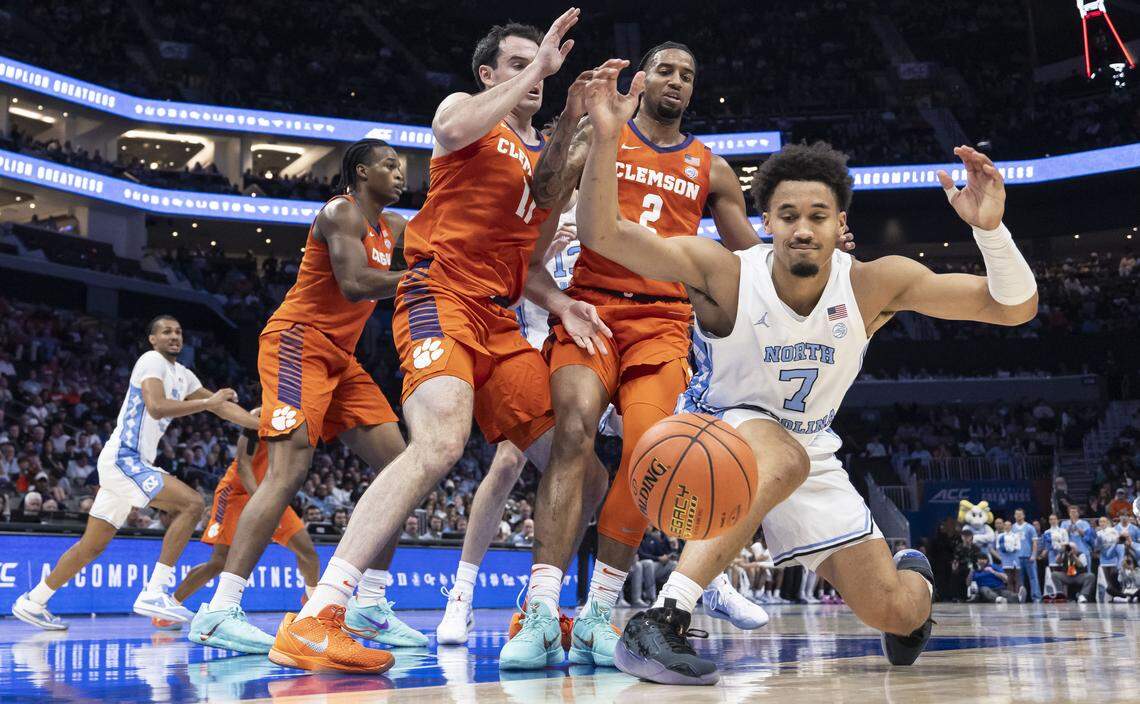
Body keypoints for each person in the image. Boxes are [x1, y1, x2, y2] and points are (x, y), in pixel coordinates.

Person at [575, 65, 1038, 683]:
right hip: (719, 427)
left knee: (896, 611)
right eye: (786, 214)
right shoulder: (725, 271)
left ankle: (913, 575)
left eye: (817, 216)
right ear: (765, 220)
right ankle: (663, 619)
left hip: (813, 450)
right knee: (779, 452)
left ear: (839, 224)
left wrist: (992, 232)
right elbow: (602, 235)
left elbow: (1014, 309)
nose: (801, 228)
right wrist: (606, 140)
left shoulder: (875, 285)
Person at [273, 12, 614, 674]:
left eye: (539, 64)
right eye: (517, 64)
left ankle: (537, 608)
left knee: (587, 471)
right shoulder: (466, 115)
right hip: (439, 300)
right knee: (440, 443)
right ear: (489, 75)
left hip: (501, 322)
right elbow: (450, 128)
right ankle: (320, 615)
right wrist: (539, 70)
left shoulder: (536, 156)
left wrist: (563, 299)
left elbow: (536, 238)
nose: (535, 72)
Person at [505, 40, 855, 670]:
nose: (676, 80)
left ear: (694, 90)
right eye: (664, 69)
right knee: (574, 433)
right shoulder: (600, 134)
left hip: (665, 323)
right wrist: (573, 123)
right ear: (643, 78)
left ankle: (594, 618)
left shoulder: (712, 168)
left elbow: (757, 264)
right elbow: (544, 187)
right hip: (590, 309)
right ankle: (537, 614)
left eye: (687, 75)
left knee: (653, 458)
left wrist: (818, 252)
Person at [189, 139, 426, 659]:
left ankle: (369, 604)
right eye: (389, 165)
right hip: (297, 342)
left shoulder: (395, 228)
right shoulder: (341, 212)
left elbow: (446, 237)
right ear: (361, 172)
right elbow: (354, 282)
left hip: (341, 357)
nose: (400, 173)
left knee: (404, 467)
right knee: (289, 470)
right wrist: (419, 281)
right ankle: (219, 611)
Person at [13, 315, 257, 631]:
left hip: (128, 465)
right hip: (124, 459)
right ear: (153, 339)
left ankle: (33, 600)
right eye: (166, 331)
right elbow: (156, 406)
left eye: (179, 331)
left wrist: (263, 425)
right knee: (192, 503)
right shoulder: (150, 361)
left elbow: (221, 407)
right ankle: (155, 591)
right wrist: (209, 402)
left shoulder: (183, 375)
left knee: (91, 546)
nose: (174, 336)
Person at [156, 412, 322, 632]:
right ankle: (169, 607)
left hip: (270, 491)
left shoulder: (303, 419)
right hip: (236, 492)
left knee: (307, 552)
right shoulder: (259, 414)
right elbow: (243, 465)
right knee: (219, 562)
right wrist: (262, 502)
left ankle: (312, 603)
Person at [1009, 508, 1040, 602]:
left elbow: (1034, 542)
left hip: (1028, 557)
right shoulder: (1012, 528)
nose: (1018, 516)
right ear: (1014, 516)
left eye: (1020, 514)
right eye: (1016, 514)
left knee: (1033, 578)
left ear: (1023, 515)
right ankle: (1021, 598)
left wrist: (1034, 555)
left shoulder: (1030, 527)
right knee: (1019, 580)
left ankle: (1036, 597)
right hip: (1017, 558)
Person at [995, 519, 1024, 600]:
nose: (1007, 527)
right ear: (1004, 526)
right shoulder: (1000, 536)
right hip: (1005, 560)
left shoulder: (1016, 535)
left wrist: (1012, 548)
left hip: (1015, 560)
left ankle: (1018, 596)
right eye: (1006, 525)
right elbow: (998, 548)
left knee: (1016, 578)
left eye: (1009, 525)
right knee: (1008, 579)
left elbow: (1018, 547)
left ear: (1011, 526)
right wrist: (1005, 550)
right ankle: (1010, 597)